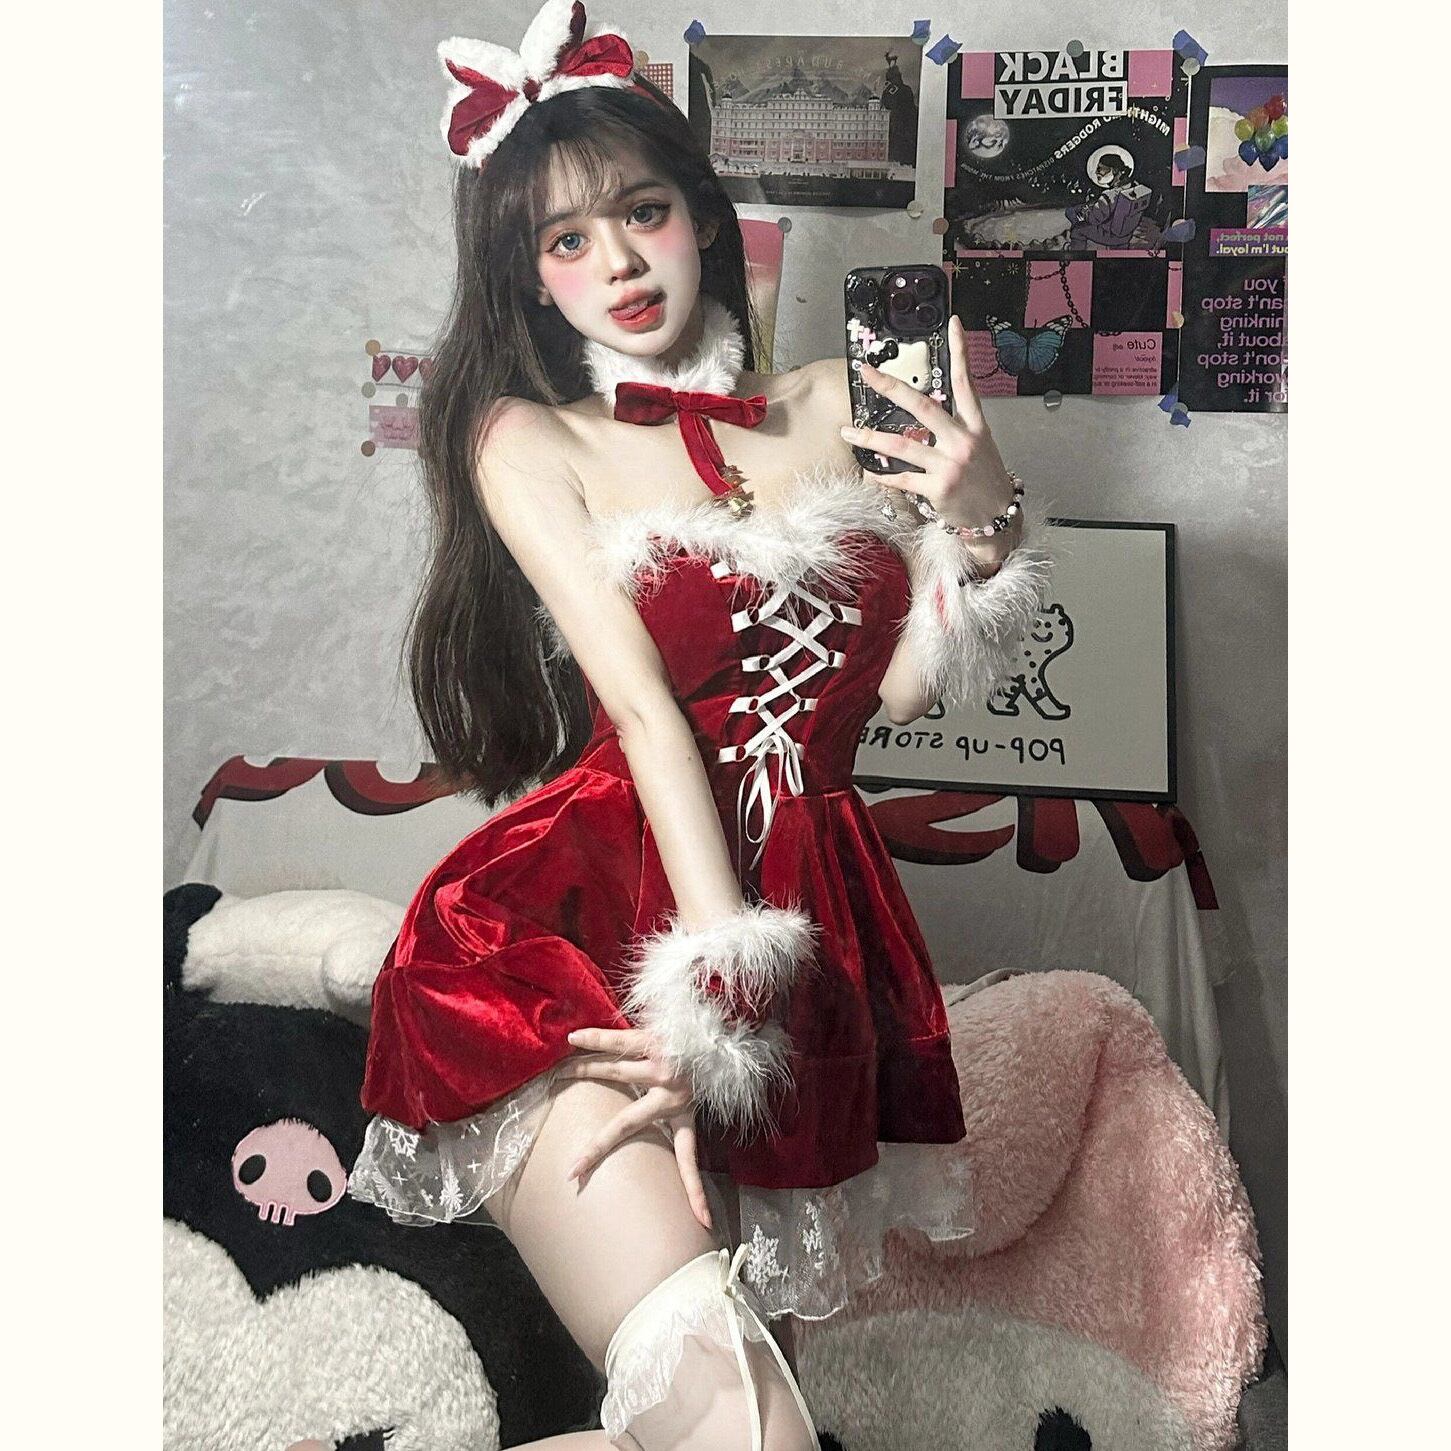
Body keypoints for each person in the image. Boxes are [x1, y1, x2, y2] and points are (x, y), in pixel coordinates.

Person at [346, 3, 1053, 1447]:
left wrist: (984, 525)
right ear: (528, 276)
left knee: (732, 1418)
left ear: (703, 218)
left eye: (642, 212)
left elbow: (884, 704)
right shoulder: (526, 438)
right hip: (584, 950)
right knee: (745, 1427)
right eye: (565, 240)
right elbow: (645, 714)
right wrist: (714, 986)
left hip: (815, 920)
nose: (615, 262)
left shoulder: (840, 401)